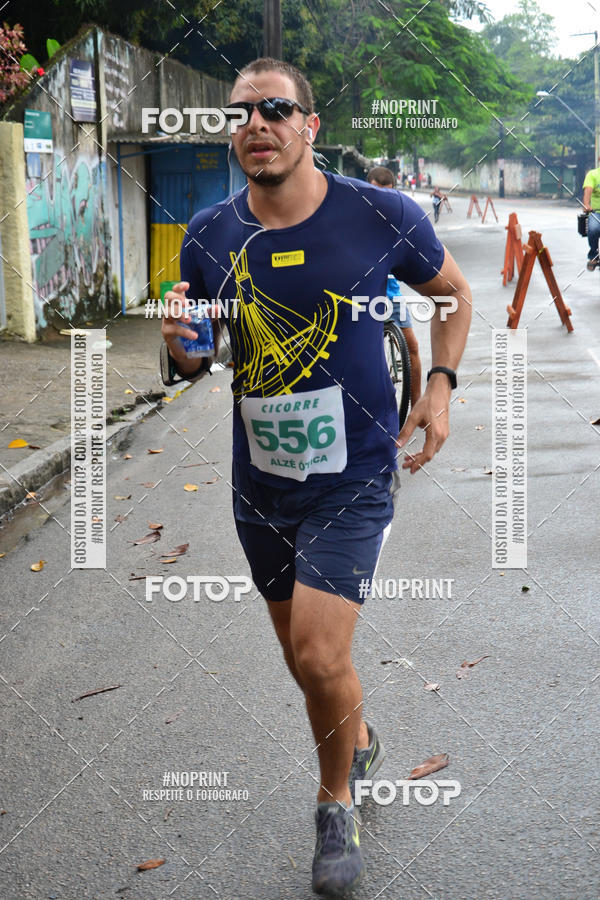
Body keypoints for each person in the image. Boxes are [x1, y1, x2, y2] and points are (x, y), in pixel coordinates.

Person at [160, 57, 471, 896]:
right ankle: (358, 740)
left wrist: (439, 388)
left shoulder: (380, 214)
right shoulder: (210, 232)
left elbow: (452, 296)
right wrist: (181, 346)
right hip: (259, 485)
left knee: (319, 651)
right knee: (308, 668)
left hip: (354, 478)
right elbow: (194, 358)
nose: (255, 124)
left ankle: (337, 805)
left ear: (309, 127)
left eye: (274, 109)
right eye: (241, 113)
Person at [367, 165, 422, 406]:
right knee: (363, 354)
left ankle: (417, 404)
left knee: (412, 348)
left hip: (391, 291)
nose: (382, 199)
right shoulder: (355, 218)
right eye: (377, 192)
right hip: (365, 295)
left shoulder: (397, 218)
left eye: (387, 193)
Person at [582, 160, 600, 270]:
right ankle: (593, 255)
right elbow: (588, 190)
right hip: (596, 212)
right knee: (593, 229)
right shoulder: (593, 174)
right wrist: (586, 204)